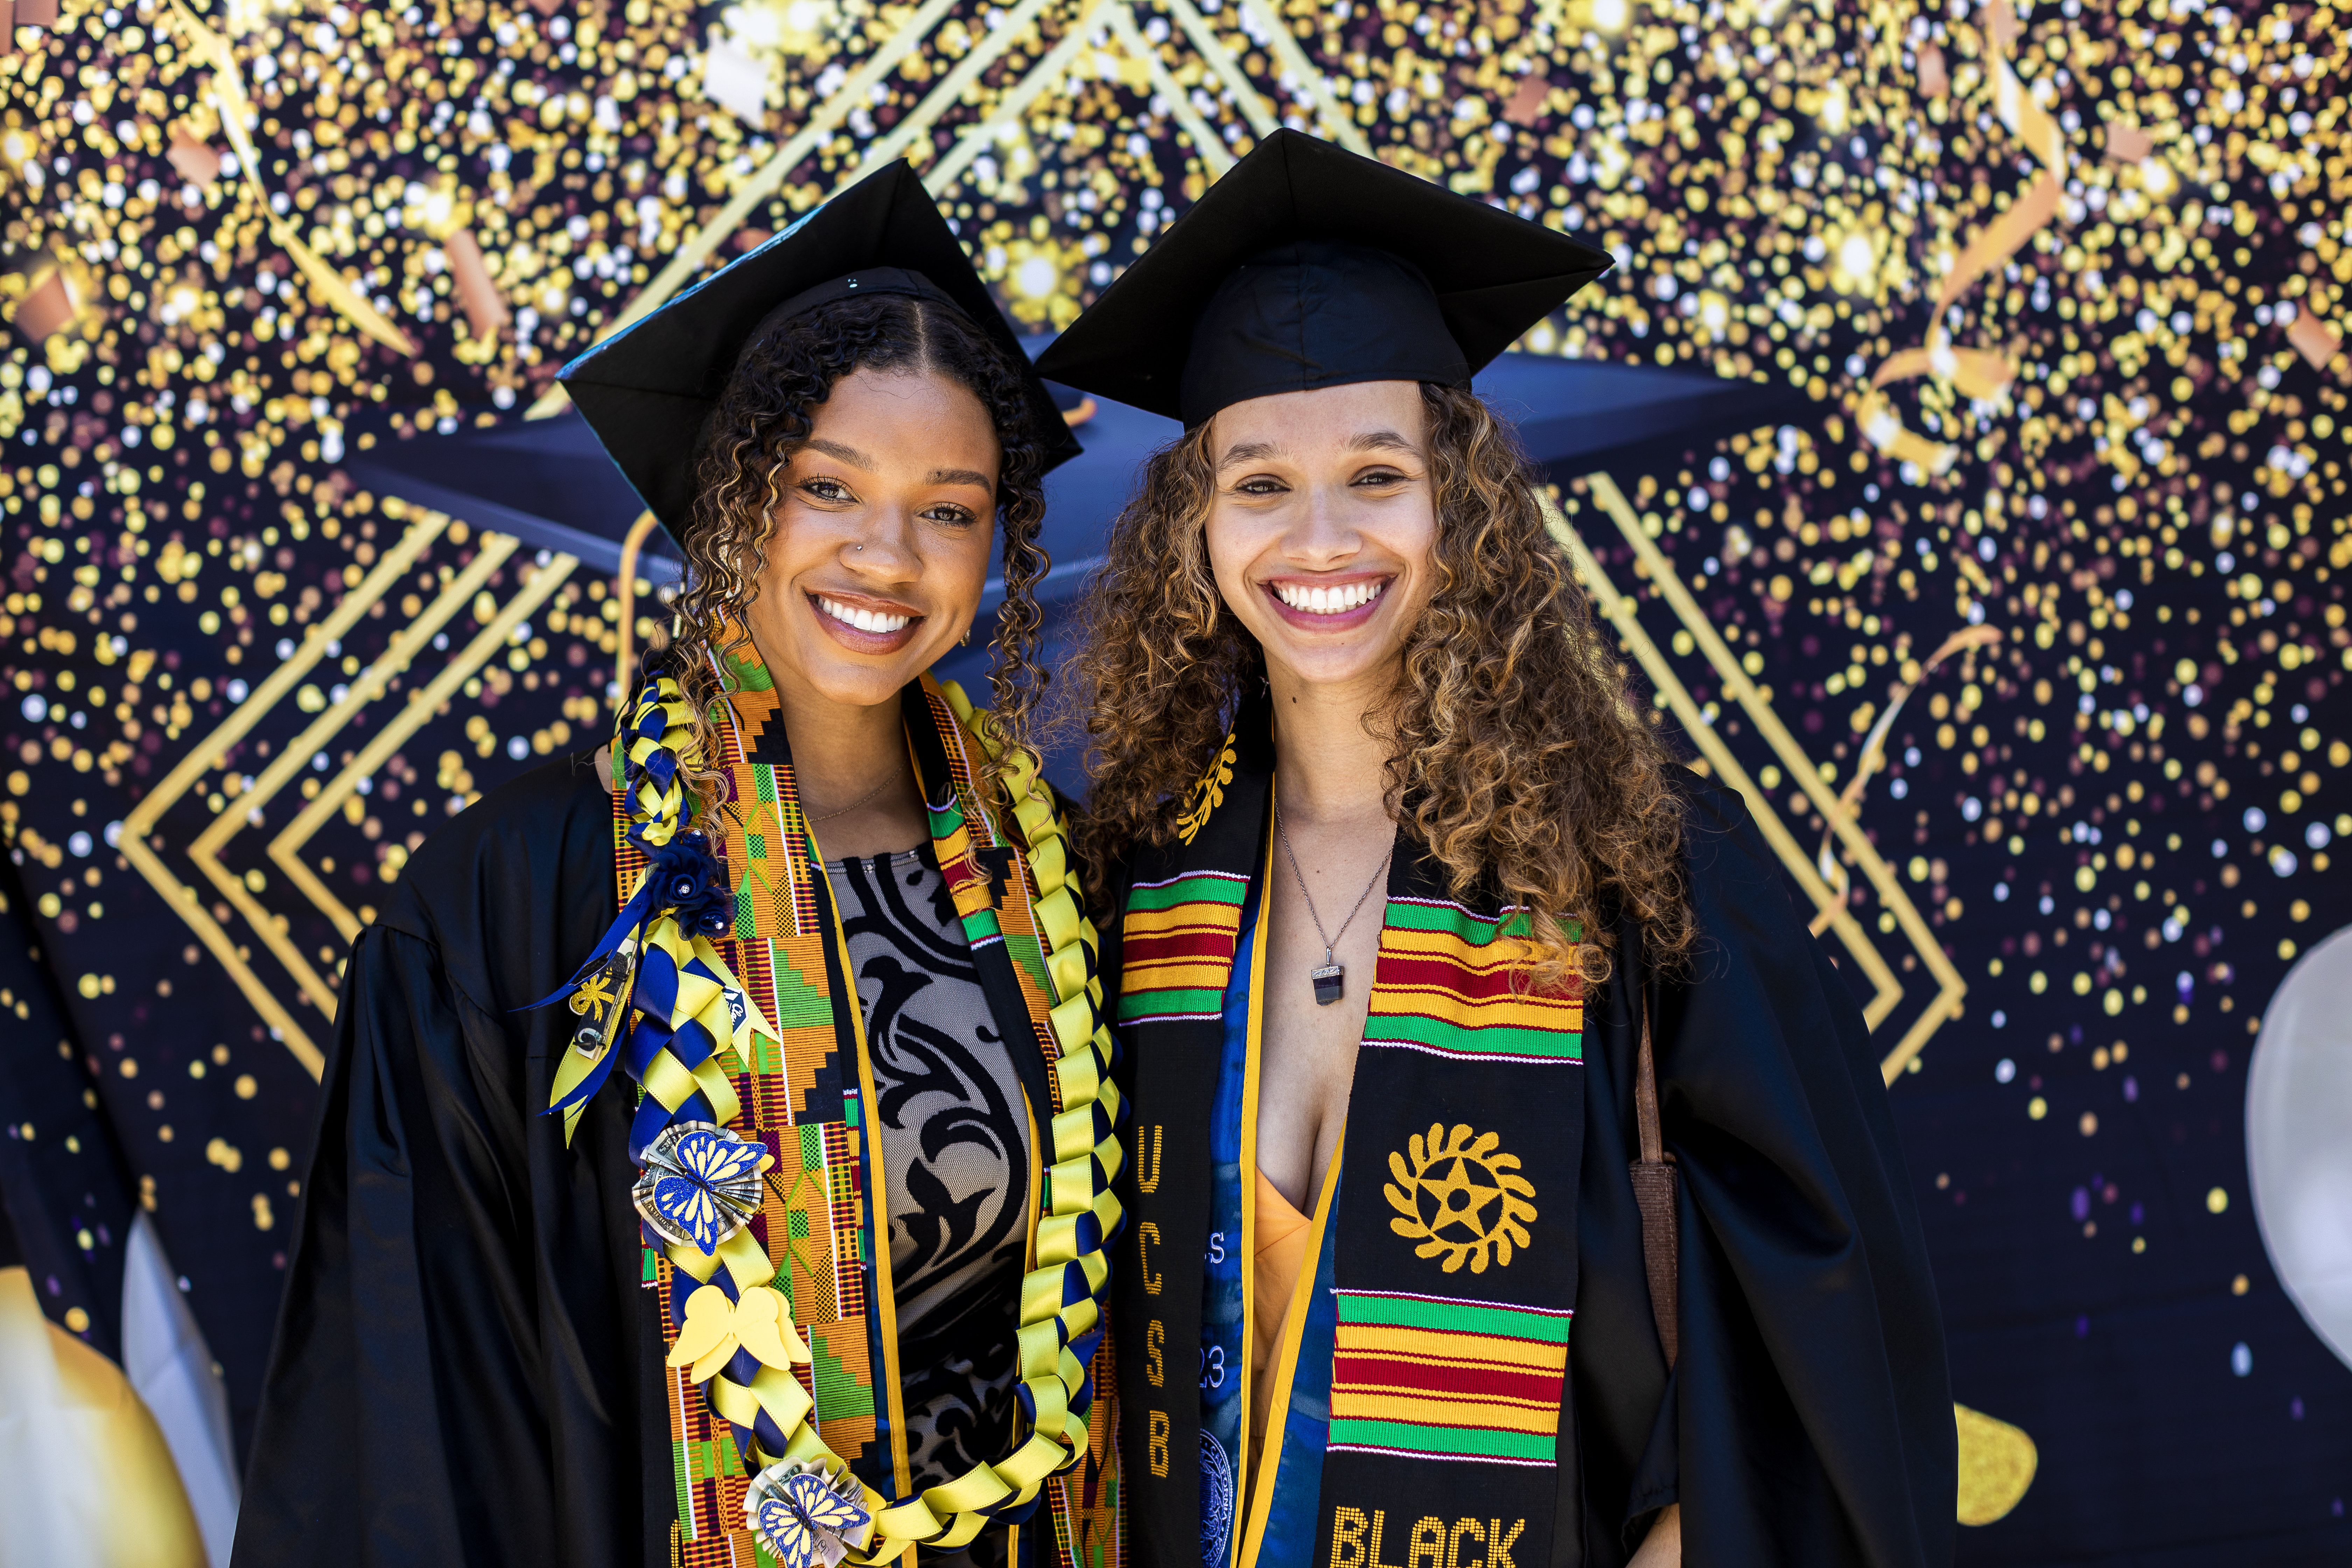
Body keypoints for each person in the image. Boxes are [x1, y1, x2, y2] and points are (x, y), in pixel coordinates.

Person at [1039, 131, 1953, 1568]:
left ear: (1460, 505)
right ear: (1194, 527)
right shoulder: (1130, 886)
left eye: (1377, 473)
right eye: (1260, 483)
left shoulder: (1643, 874)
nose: (1320, 537)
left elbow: (1803, 1359)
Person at [234, 163, 1123, 1568]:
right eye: (826, 486)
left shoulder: (1059, 870)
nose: (887, 555)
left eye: (950, 509)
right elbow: (417, 1397)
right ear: (732, 499)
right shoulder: (522, 899)